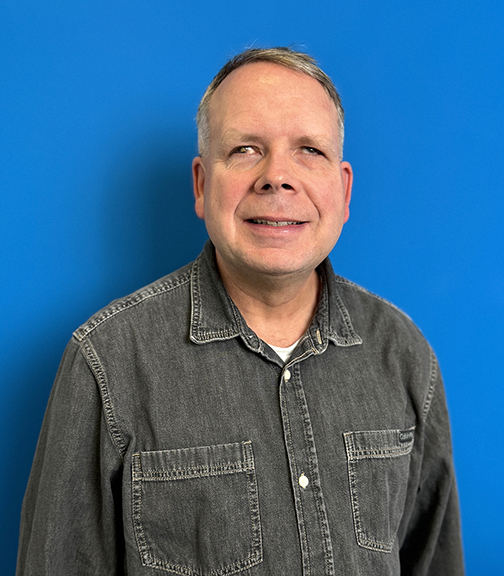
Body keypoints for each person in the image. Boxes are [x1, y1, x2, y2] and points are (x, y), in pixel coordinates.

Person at [17, 47, 464, 575]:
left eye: (309, 151)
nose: (277, 177)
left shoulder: (405, 356)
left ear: (343, 191)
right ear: (202, 185)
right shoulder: (107, 364)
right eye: (247, 149)